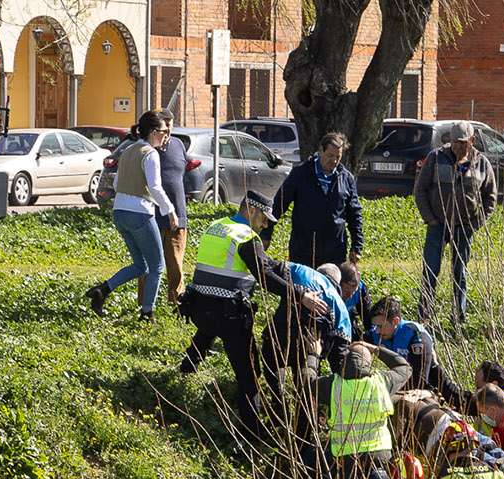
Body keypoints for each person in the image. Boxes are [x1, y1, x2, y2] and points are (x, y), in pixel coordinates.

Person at [178, 190, 307, 437]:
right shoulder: (246, 237)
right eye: (264, 218)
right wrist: (299, 295)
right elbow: (264, 277)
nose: (265, 225)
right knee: (250, 375)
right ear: (251, 210)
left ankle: (187, 367)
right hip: (228, 316)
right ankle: (251, 431)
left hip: (199, 308)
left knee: (207, 330)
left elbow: (255, 264)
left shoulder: (217, 226)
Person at [88, 113, 177, 319]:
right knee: (157, 267)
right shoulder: (151, 154)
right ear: (153, 132)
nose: (166, 136)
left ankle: (103, 290)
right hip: (140, 213)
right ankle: (147, 313)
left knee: (140, 265)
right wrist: (170, 210)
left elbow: (116, 183)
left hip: (119, 212)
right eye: (164, 131)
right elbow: (155, 187)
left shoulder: (128, 149)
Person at [413, 122, 497, 326]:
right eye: (454, 142)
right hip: (437, 224)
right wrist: (430, 219)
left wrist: (475, 224)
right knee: (430, 270)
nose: (458, 147)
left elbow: (490, 199)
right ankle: (424, 316)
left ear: (472, 141)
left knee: (460, 273)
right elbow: (420, 190)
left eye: (462, 143)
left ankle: (459, 318)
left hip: (464, 227)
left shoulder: (482, 163)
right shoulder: (435, 158)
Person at [274, 130, 363, 269]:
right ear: (321, 150)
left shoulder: (346, 178)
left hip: (334, 251)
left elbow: (354, 214)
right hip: (303, 250)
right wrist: (266, 233)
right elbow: (279, 203)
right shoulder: (300, 174)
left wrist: (357, 246)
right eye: (330, 155)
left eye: (338, 157)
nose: (334, 161)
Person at [326, 341, 395, 479]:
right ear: (368, 363)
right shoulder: (382, 381)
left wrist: (313, 355)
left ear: (345, 361)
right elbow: (405, 367)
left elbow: (306, 382)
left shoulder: (332, 384)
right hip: (380, 455)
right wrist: (375, 349)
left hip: (346, 458)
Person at [367, 295, 464, 400]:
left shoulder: (415, 334)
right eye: (375, 326)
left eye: (380, 326)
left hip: (428, 377)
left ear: (395, 321)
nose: (377, 331)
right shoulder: (376, 334)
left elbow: (419, 380)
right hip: (404, 377)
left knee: (456, 398)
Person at [156, 123, 193, 309]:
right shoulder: (147, 148)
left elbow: (184, 169)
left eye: (169, 125)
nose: (167, 130)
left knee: (176, 264)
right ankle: (146, 305)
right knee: (149, 265)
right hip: (152, 215)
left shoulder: (178, 144)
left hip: (178, 215)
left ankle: (177, 305)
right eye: (163, 126)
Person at [335, 260, 375, 339]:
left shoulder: (360, 289)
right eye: (346, 291)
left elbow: (367, 317)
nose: (350, 296)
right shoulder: (331, 290)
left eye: (354, 291)